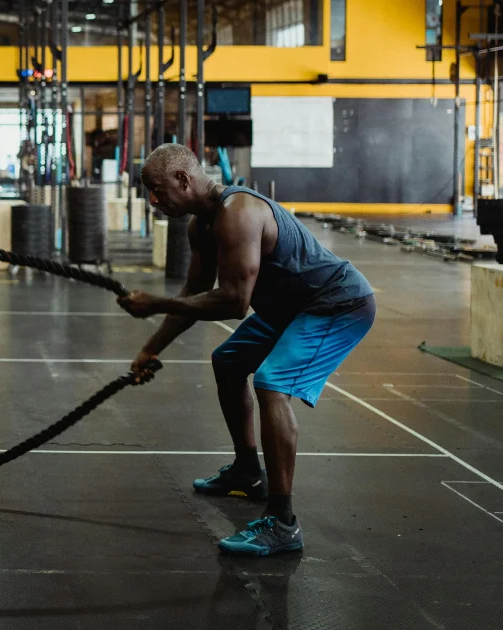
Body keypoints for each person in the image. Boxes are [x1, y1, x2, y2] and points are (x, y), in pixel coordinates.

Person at [117, 143, 375, 557]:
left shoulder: (238, 214)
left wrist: (156, 303)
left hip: (336, 305)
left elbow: (234, 302)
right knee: (229, 361)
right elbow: (194, 296)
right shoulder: (199, 226)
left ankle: (283, 523)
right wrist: (150, 349)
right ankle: (247, 471)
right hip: (290, 307)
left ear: (183, 180)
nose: (153, 199)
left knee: (272, 383)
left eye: (157, 189)